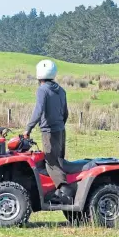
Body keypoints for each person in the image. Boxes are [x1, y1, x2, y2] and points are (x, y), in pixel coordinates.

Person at [23, 59, 73, 205]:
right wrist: (60, 126)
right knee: (59, 160)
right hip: (61, 130)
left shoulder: (42, 90)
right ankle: (57, 189)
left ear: (39, 75)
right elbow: (65, 113)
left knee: (51, 162)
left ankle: (64, 191)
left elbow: (38, 111)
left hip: (49, 131)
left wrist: (28, 129)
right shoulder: (61, 90)